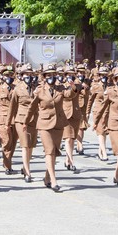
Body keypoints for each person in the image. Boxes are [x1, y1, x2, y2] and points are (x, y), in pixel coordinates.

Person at [23, 63, 77, 192]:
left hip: (58, 124)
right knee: (49, 151)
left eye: (53, 75)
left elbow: (70, 95)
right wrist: (25, 122)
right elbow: (32, 107)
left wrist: (74, 88)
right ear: (44, 77)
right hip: (44, 124)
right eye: (49, 75)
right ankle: (54, 180)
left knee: (54, 152)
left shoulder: (60, 88)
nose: (51, 77)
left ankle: (47, 177)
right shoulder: (40, 91)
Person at [6, 64, 38, 182]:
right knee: (25, 145)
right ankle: (27, 171)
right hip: (21, 120)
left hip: (34, 119)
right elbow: (12, 107)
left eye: (30, 74)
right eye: (26, 74)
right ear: (22, 75)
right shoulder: (18, 89)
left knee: (31, 146)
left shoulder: (37, 88)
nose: (28, 76)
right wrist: (7, 123)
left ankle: (25, 166)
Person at [87, 67, 112, 161]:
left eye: (106, 74)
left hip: (108, 112)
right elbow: (90, 101)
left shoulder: (111, 86)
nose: (104, 76)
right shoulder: (96, 86)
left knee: (104, 132)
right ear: (99, 76)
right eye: (102, 75)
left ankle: (100, 151)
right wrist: (87, 113)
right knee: (100, 132)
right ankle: (104, 153)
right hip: (98, 111)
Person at [62, 64, 82, 171]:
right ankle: (71, 161)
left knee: (72, 139)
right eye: (68, 74)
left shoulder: (78, 84)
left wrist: (73, 85)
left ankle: (67, 159)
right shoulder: (60, 84)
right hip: (65, 114)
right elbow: (66, 94)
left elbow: (76, 91)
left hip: (76, 114)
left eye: (72, 74)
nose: (70, 76)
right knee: (68, 138)